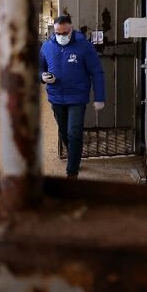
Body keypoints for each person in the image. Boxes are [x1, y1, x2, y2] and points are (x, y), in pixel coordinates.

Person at [39, 15, 106, 177]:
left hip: (77, 97)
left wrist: (100, 97)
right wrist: (42, 76)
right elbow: (39, 68)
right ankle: (73, 156)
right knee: (63, 132)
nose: (61, 36)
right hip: (56, 97)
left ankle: (72, 171)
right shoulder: (46, 47)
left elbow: (97, 72)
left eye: (65, 32)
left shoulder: (84, 46)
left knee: (74, 131)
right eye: (57, 33)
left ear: (71, 29)